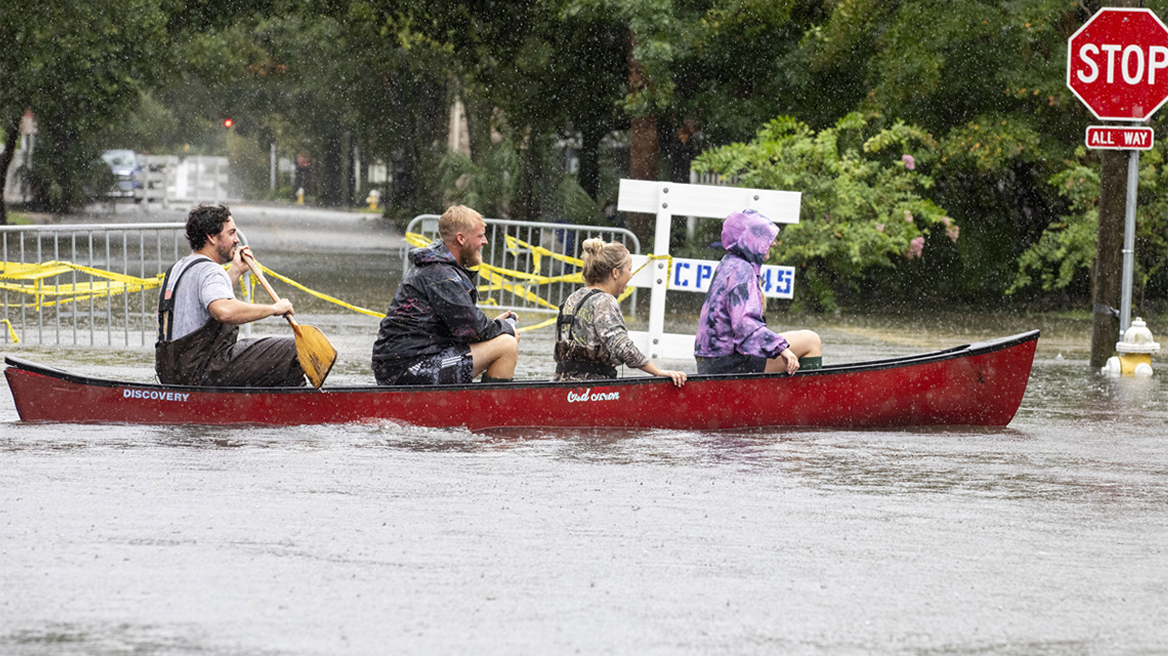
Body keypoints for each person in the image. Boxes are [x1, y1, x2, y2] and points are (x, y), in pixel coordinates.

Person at [155, 204, 306, 387]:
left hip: (172, 372)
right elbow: (223, 311)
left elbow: (208, 298)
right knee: (295, 350)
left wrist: (235, 271)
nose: (236, 240)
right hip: (203, 371)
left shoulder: (178, 268)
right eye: (231, 233)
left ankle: (258, 404)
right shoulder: (211, 271)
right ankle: (302, 407)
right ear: (211, 236)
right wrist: (273, 309)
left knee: (264, 358)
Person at [372, 205, 519, 385]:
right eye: (480, 236)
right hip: (408, 369)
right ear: (461, 238)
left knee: (502, 338)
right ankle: (491, 410)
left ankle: (475, 406)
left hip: (404, 364)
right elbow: (474, 328)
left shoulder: (439, 267)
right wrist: (506, 327)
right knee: (507, 344)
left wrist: (496, 326)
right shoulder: (441, 275)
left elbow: (466, 328)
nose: (485, 241)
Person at [694, 209, 822, 375]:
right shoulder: (742, 271)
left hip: (712, 361)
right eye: (766, 238)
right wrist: (783, 349)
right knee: (810, 340)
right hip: (728, 363)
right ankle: (807, 398)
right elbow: (745, 325)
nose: (774, 243)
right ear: (751, 240)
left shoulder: (728, 263)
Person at [552, 238, 687, 387]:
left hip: (561, 384)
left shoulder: (574, 296)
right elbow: (622, 347)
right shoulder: (604, 301)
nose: (631, 275)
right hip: (592, 388)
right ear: (615, 273)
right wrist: (658, 372)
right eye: (629, 269)